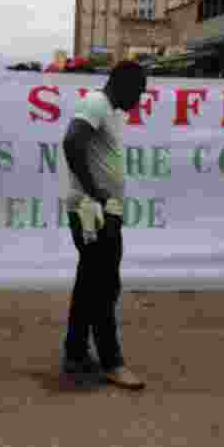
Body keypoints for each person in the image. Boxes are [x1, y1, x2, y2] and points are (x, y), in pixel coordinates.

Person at [60, 60, 146, 390]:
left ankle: (76, 352)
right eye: (138, 91)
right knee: (105, 286)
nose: (139, 99)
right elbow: (72, 142)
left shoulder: (108, 109)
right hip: (93, 212)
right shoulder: (96, 103)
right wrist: (95, 192)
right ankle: (112, 362)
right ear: (123, 85)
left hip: (98, 210)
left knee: (89, 284)